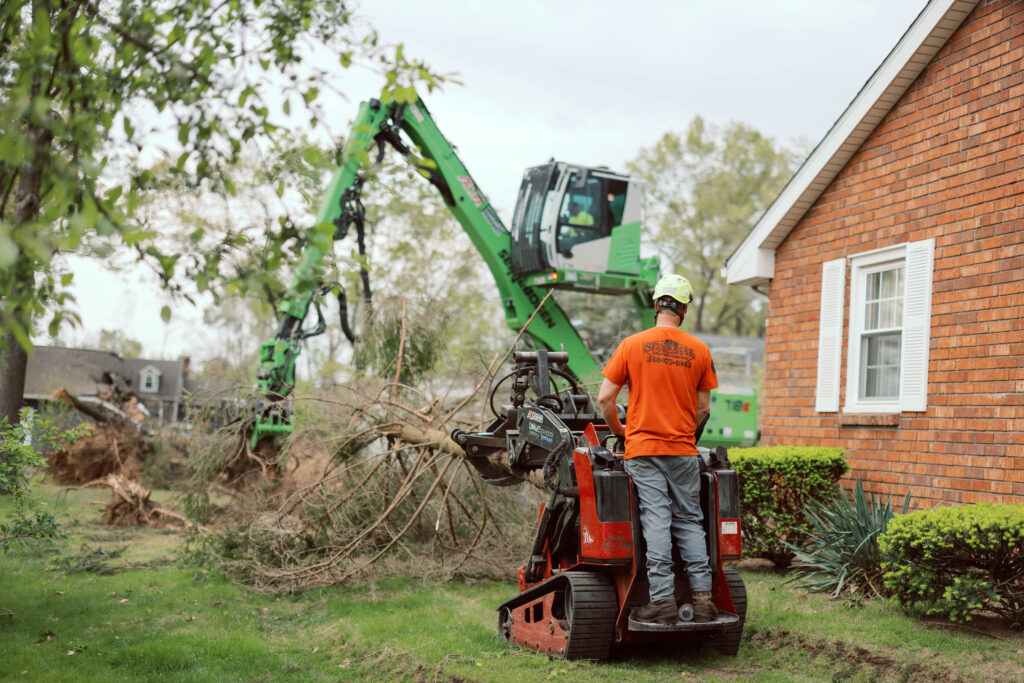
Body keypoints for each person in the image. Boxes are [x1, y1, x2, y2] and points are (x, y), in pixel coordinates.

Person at [596, 273, 719, 625]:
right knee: (689, 520)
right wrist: (686, 437)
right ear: (684, 308)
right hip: (682, 450)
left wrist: (622, 432)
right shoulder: (700, 350)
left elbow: (605, 398)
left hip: (643, 450)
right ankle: (704, 599)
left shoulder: (632, 345)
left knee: (657, 519)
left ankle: (662, 601)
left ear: (656, 305)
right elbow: (703, 409)